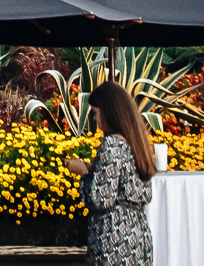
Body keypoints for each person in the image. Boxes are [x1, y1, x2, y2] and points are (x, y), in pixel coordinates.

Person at [59, 81, 153, 266]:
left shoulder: (112, 145)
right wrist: (92, 168)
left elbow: (100, 198)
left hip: (114, 237)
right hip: (138, 234)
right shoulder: (136, 143)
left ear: (108, 111)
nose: (94, 118)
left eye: (95, 112)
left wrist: (83, 173)